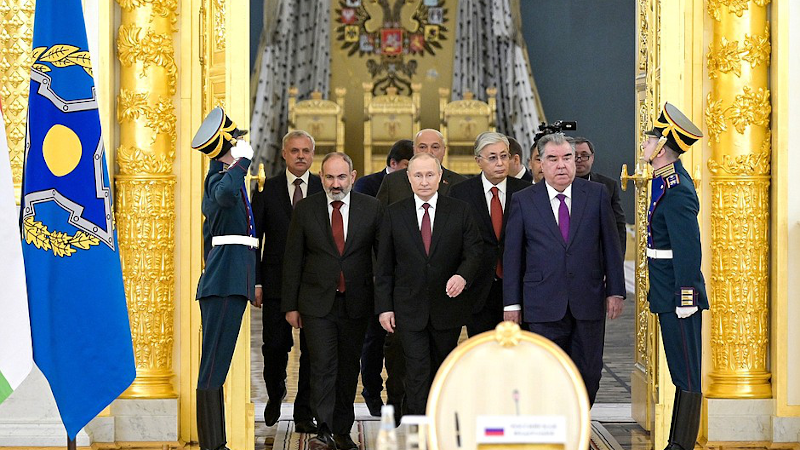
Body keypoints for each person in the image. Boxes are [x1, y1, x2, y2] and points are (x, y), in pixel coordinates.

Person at [503, 132, 625, 405]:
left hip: (588, 298)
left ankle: (579, 419)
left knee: (589, 371)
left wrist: (616, 290)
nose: (562, 165)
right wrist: (511, 303)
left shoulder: (596, 195)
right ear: (541, 164)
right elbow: (513, 256)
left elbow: (611, 244)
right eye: (553, 159)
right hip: (542, 301)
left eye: (567, 158)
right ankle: (553, 426)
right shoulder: (524, 200)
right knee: (545, 370)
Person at [282, 153, 383, 450]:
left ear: (352, 177)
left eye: (341, 177)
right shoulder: (306, 208)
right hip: (316, 303)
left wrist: (385, 301)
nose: (335, 184)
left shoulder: (372, 208)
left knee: (349, 367)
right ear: (321, 178)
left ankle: (342, 429)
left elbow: (383, 258)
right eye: (329, 177)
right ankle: (324, 428)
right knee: (323, 365)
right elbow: (293, 258)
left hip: (357, 302)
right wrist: (290, 305)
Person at [375, 152, 482, 415]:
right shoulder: (393, 214)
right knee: (416, 370)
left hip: (447, 309)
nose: (424, 181)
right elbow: (384, 265)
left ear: (440, 177)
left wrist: (462, 275)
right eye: (418, 175)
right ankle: (418, 429)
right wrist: (384, 307)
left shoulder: (460, 211)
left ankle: (441, 424)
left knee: (443, 369)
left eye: (430, 175)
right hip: (408, 309)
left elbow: (474, 251)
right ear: (409, 178)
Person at [642, 103, 708, 450]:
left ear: (663, 146)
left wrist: (686, 296)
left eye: (649, 140)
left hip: (678, 295)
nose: (644, 146)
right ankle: (676, 442)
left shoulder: (678, 188)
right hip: (666, 290)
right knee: (679, 369)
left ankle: (682, 444)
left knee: (686, 372)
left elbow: (688, 249)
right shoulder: (664, 181)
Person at [192, 108, 257, 450]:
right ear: (229, 148)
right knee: (212, 369)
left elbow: (211, 237)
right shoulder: (219, 180)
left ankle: (216, 444)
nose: (246, 143)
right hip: (223, 284)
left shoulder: (226, 181)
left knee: (217, 367)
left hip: (229, 280)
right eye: (239, 141)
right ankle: (212, 446)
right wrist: (241, 165)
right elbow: (224, 195)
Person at [250, 130, 321, 433]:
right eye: (295, 151)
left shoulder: (323, 187)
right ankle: (276, 391)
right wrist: (255, 281)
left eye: (306, 151)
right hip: (276, 282)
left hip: (316, 285)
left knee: (314, 352)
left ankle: (305, 411)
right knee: (275, 346)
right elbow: (255, 239)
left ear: (312, 155)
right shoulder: (267, 189)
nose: (301, 156)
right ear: (284, 154)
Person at [449, 132, 531, 337]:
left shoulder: (526, 192)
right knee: (483, 354)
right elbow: (456, 241)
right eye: (492, 157)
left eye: (504, 156)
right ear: (479, 161)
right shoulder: (461, 193)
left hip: (518, 287)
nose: (500, 163)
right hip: (478, 289)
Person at [354, 139, 414, 416]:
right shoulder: (367, 185)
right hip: (372, 275)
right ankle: (371, 390)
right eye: (406, 167)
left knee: (397, 341)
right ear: (394, 164)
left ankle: (398, 396)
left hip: (401, 277)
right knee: (373, 339)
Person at [376, 129, 466, 205]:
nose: (428, 152)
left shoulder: (460, 184)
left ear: (444, 151)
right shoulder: (392, 181)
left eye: (435, 147)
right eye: (422, 147)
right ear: (414, 149)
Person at [572, 136, 627, 257]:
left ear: (592, 158)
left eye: (584, 155)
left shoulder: (608, 186)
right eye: (574, 155)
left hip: (598, 256)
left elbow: (618, 225)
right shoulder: (558, 184)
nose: (579, 159)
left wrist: (617, 259)